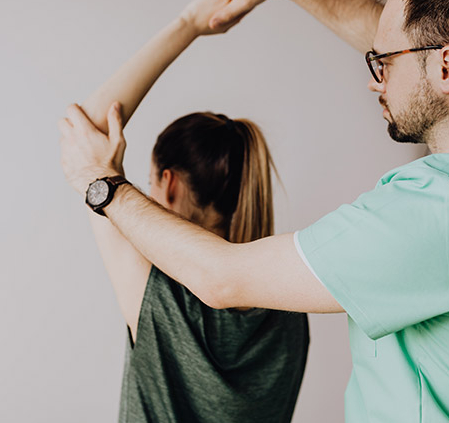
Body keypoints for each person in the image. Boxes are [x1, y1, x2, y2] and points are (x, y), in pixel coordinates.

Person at [58, 0, 449, 421]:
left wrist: (105, 185)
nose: (374, 80)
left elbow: (221, 278)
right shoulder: (285, 317)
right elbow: (429, 46)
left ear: (448, 68)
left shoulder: (443, 208)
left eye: (383, 63)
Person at [65, 1, 309, 421]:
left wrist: (190, 24)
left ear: (170, 183)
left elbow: (86, 126)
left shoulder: (157, 293)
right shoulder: (290, 305)